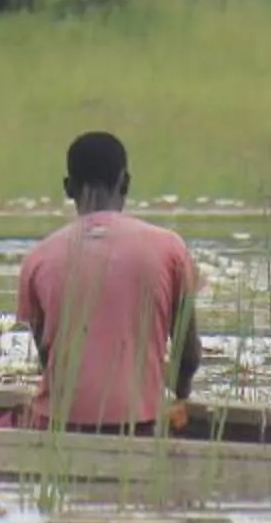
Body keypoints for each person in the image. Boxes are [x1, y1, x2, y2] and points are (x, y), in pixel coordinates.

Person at [13, 132, 201, 431]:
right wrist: (181, 395)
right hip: (141, 423)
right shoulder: (169, 248)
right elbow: (187, 356)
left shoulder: (38, 258)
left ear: (68, 188)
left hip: (59, 425)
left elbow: (49, 358)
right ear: (125, 182)